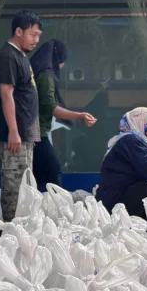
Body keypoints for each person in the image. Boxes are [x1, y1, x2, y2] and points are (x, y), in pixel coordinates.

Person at [0, 11, 42, 222]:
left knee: (24, 185)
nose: (36, 40)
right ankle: (11, 233)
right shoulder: (8, 56)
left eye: (39, 35)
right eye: (33, 34)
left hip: (23, 133)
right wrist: (13, 131)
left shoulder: (20, 56)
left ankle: (21, 232)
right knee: (14, 186)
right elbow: (6, 93)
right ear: (18, 31)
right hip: (15, 134)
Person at [29, 39, 96, 191]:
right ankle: (59, 207)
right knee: (53, 170)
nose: (63, 66)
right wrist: (79, 116)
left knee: (39, 174)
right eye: (63, 61)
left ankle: (42, 207)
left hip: (35, 131)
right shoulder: (46, 76)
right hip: (38, 133)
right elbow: (50, 106)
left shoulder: (39, 72)